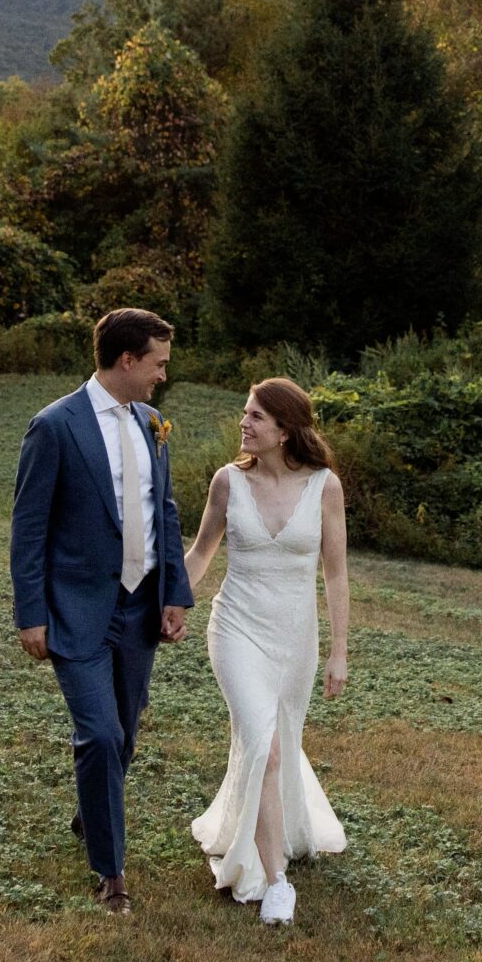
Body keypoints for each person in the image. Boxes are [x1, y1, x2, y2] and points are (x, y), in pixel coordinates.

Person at [10, 308, 195, 916]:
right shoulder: (55, 427)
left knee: (127, 729)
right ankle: (111, 874)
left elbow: (162, 510)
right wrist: (30, 614)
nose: (163, 377)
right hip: (75, 610)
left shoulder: (153, 422)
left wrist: (174, 593)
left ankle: (94, 807)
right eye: (159, 364)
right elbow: (28, 529)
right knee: (100, 733)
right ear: (127, 360)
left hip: (141, 607)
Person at [183, 376, 350, 925]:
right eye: (245, 412)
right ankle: (274, 881)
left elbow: (336, 572)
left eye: (256, 416)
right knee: (264, 743)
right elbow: (202, 553)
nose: (244, 423)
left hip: (295, 639)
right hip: (236, 630)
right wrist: (167, 600)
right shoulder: (227, 482)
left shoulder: (325, 486)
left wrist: (338, 650)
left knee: (278, 742)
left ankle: (261, 825)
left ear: (284, 430)